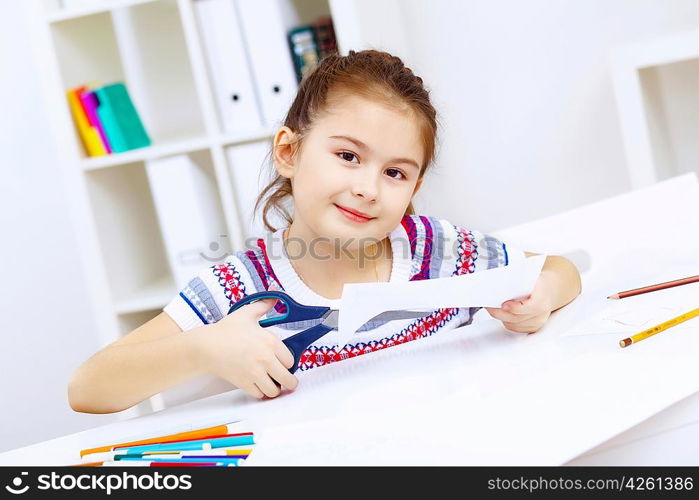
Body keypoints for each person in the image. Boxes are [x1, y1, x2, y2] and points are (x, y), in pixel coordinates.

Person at [68, 50, 581, 414]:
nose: (368, 188)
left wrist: (542, 297)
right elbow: (90, 387)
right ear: (289, 152)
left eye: (395, 172)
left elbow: (558, 269)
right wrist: (204, 348)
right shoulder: (238, 288)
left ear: (414, 186)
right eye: (348, 156)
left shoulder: (439, 250)